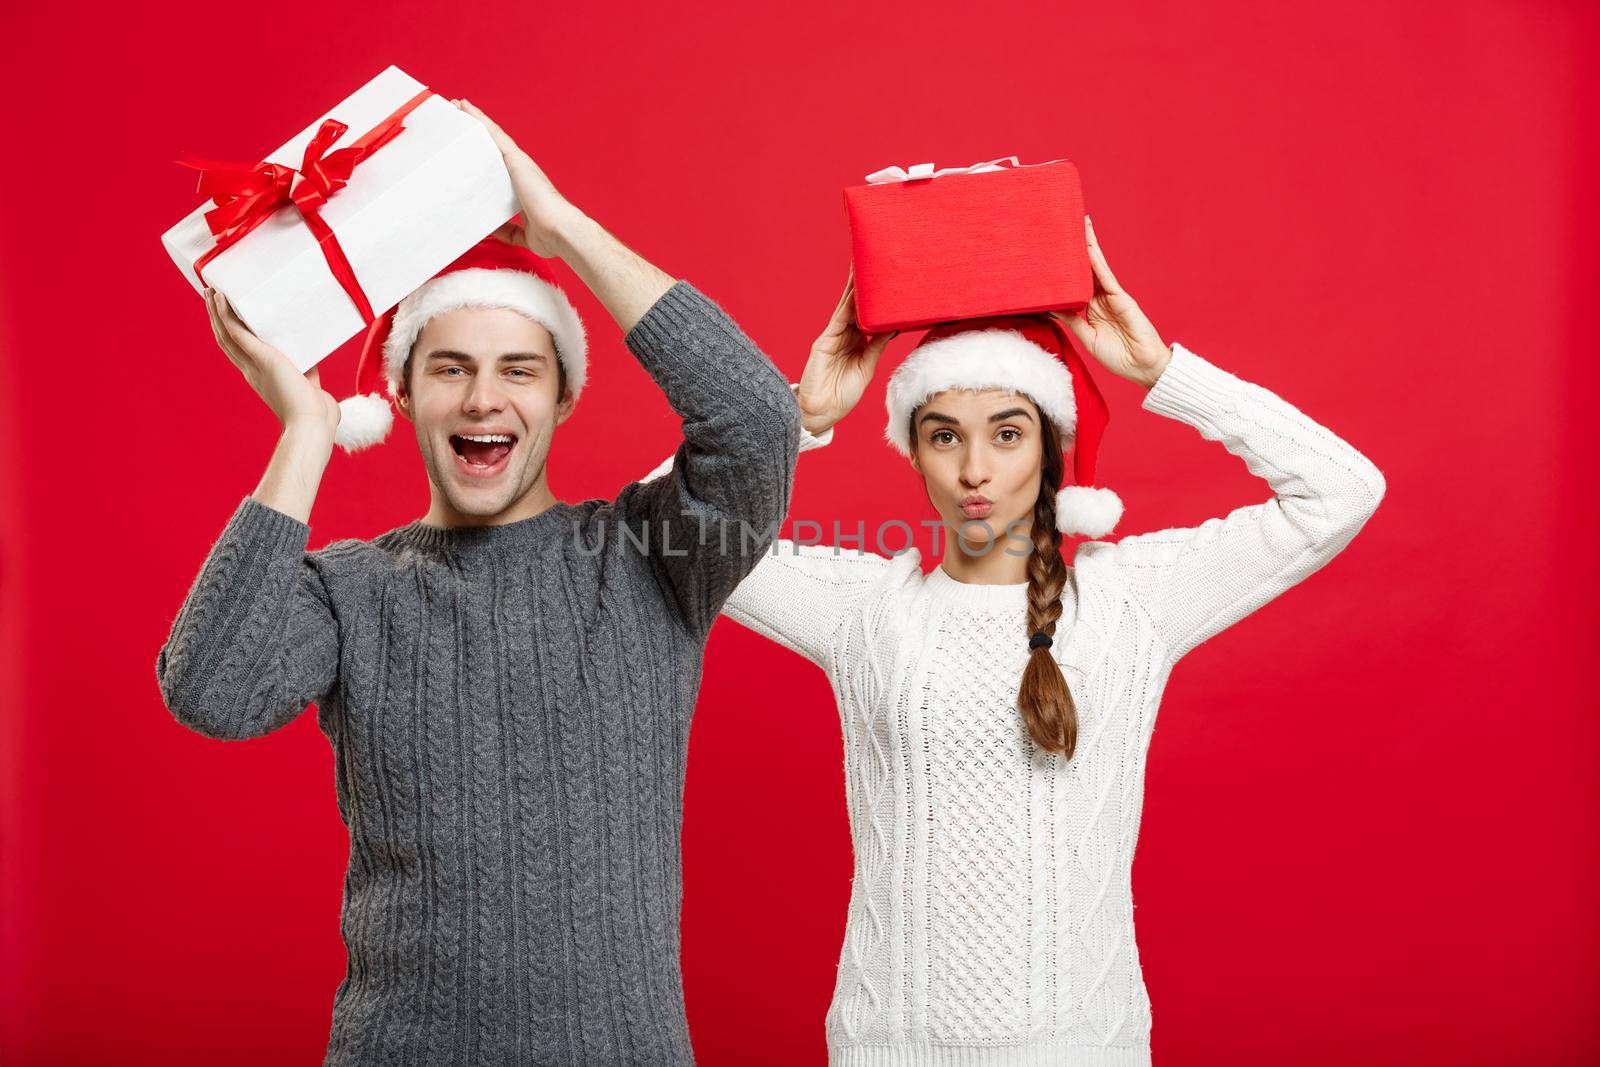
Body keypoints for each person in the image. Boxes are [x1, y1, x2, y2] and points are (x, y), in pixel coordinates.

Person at [643, 216, 1386, 1065]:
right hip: (887, 1048)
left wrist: (1161, 371)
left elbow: (1343, 491)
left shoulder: (1128, 606)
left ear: (1050, 449)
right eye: (943, 435)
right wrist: (797, 416)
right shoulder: (866, 611)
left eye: (1006, 432)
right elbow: (659, 529)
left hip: (1087, 1047)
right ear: (914, 454)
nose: (974, 471)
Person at [154, 99, 802, 1066]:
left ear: (564, 394)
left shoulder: (650, 557)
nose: (484, 397)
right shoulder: (350, 590)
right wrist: (304, 435)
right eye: (450, 367)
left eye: (520, 370)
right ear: (404, 393)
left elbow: (755, 421)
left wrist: (565, 231)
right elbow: (210, 689)